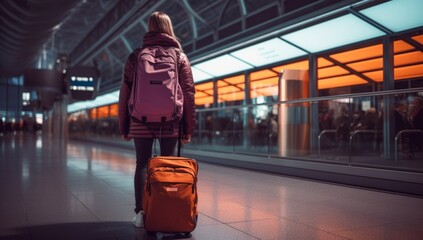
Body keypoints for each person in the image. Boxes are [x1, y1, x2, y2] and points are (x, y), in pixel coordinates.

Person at [118, 11, 196, 228]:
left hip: (139, 120)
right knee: (167, 166)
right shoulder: (180, 56)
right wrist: (188, 128)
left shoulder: (135, 56)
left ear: (149, 28)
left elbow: (125, 93)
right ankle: (165, 210)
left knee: (142, 164)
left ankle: (141, 214)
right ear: (169, 28)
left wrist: (124, 126)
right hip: (171, 121)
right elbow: (188, 93)